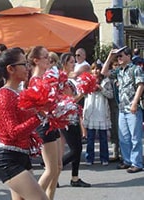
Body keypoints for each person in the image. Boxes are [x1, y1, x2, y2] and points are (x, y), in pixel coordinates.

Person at [0, 47, 48, 200]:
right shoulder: (4, 95)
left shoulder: (19, 92)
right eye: (24, 64)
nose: (28, 68)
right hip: (7, 159)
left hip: (22, 155)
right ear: (10, 69)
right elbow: (13, 132)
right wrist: (39, 116)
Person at [27, 46, 62, 199]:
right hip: (43, 125)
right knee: (51, 169)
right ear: (36, 60)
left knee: (58, 167)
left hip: (51, 123)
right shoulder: (35, 80)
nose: (49, 60)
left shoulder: (44, 79)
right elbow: (36, 108)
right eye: (45, 57)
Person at [101, 46, 144, 173]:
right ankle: (127, 160)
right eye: (118, 56)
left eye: (121, 56)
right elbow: (104, 72)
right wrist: (110, 56)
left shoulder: (136, 69)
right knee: (123, 137)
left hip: (132, 107)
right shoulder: (119, 71)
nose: (118, 58)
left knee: (135, 137)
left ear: (128, 56)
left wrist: (135, 103)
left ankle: (137, 163)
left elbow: (141, 86)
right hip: (122, 107)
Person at [59, 52, 91, 187]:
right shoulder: (62, 80)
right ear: (65, 63)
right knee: (75, 150)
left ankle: (75, 178)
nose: (74, 64)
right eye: (72, 62)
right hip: (66, 118)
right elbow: (70, 100)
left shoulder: (69, 78)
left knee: (77, 148)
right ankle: (53, 171)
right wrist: (83, 93)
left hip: (73, 116)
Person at [83, 62, 113, 166]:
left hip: (102, 111)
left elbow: (110, 95)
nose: (96, 71)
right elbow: (83, 93)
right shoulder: (87, 80)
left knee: (103, 137)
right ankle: (89, 158)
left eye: (98, 69)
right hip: (91, 110)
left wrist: (101, 88)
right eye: (93, 69)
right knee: (90, 137)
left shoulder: (105, 81)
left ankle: (104, 158)